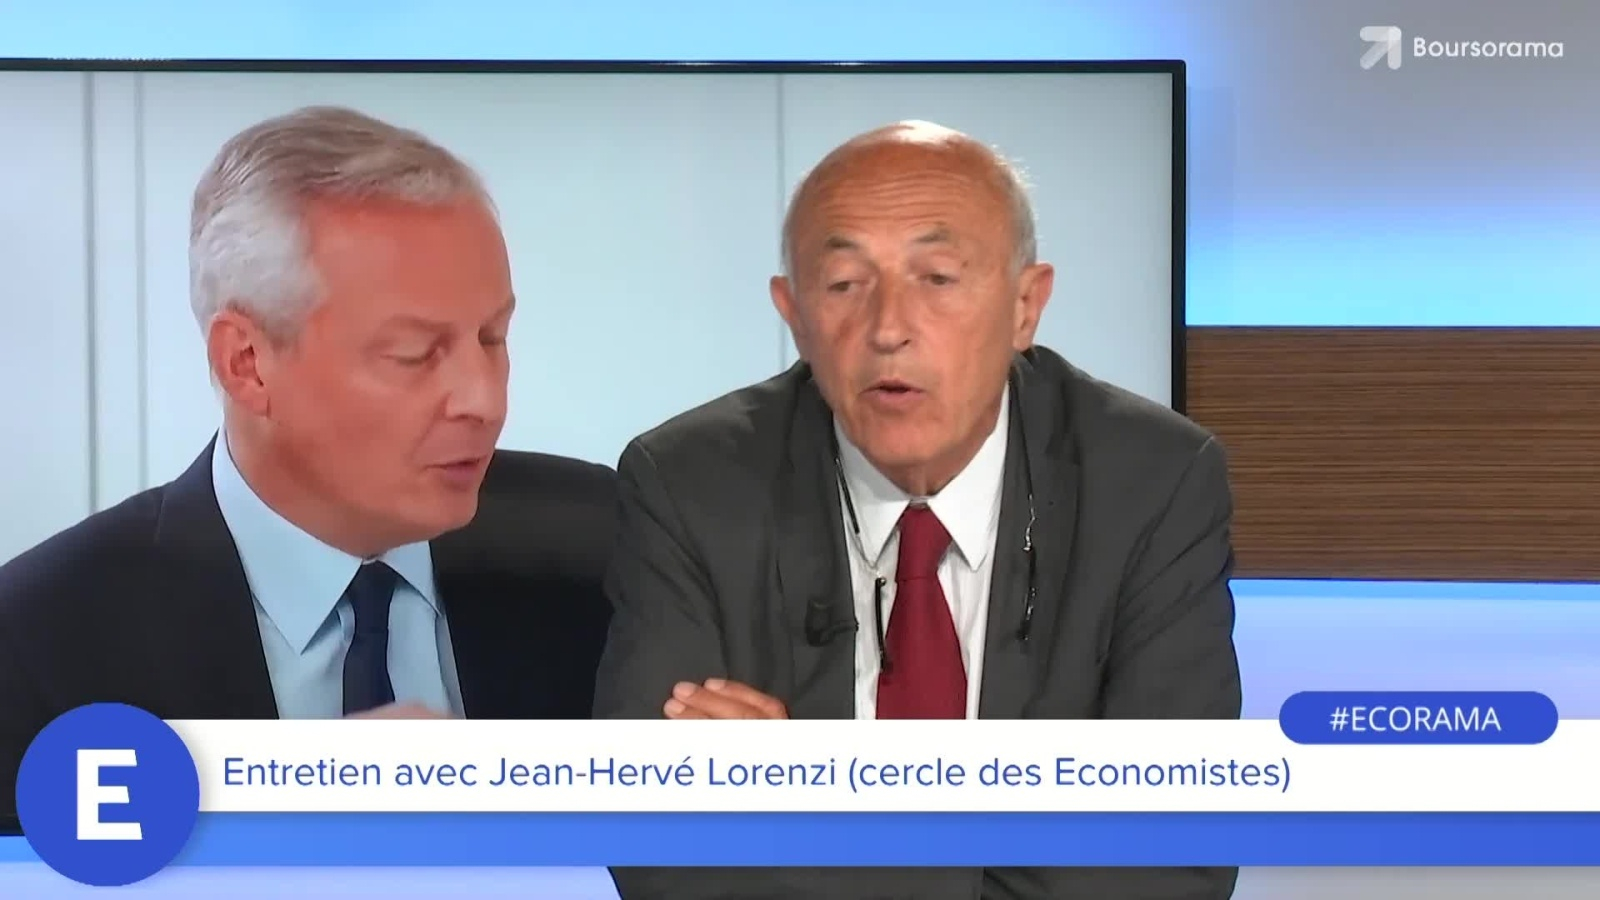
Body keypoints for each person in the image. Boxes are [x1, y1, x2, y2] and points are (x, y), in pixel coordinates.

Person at [594, 121, 1241, 898]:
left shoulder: (1151, 483)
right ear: (794, 315)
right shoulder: (690, 483)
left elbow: (1171, 859)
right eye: (844, 284)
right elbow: (659, 843)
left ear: (1025, 305)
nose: (889, 329)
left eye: (937, 278)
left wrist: (819, 806)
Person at [0, 107, 616, 828]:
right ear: (247, 363)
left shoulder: (615, 549)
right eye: (415, 354)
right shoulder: (40, 641)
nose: (484, 399)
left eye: (492, 337)